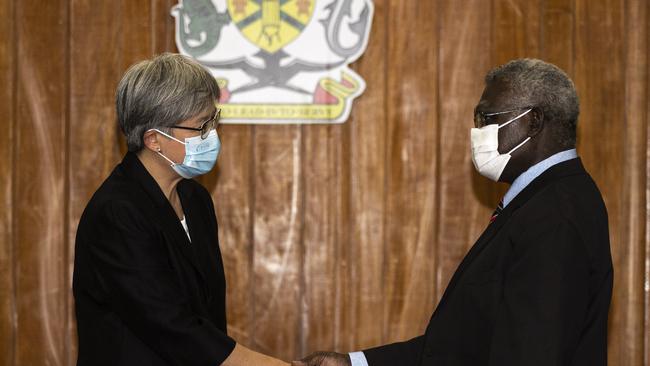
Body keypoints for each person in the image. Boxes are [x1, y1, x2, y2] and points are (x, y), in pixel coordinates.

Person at [297, 59, 613, 366]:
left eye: (489, 118)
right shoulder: (537, 203)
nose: (479, 133)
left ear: (534, 121)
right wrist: (354, 363)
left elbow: (530, 354)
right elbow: (462, 346)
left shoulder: (556, 214)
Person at [73, 53, 289, 366]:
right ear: (154, 140)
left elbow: (208, 317)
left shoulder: (196, 199)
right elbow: (169, 325)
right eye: (200, 127)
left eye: (213, 121)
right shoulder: (118, 212)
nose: (211, 135)